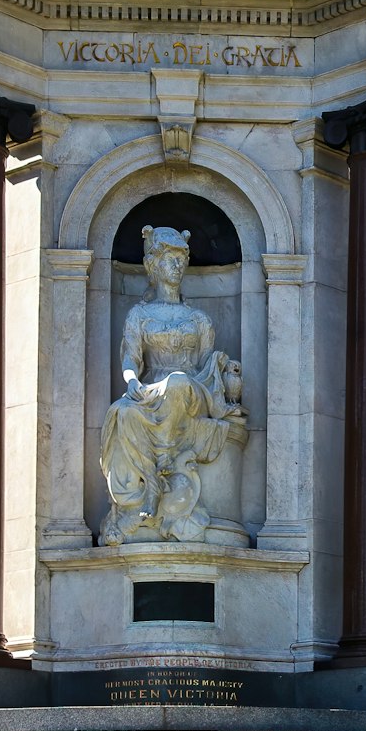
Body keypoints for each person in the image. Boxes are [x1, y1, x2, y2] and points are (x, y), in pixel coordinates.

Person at [100, 225, 242, 545]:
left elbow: (207, 368)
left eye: (181, 259)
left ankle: (162, 466)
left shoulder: (199, 319)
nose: (176, 266)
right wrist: (132, 381)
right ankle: (151, 486)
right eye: (168, 260)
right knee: (121, 412)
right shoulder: (139, 314)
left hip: (191, 389)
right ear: (152, 266)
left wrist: (223, 369)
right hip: (151, 392)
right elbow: (130, 360)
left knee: (177, 382)